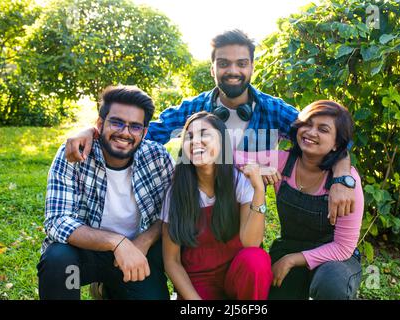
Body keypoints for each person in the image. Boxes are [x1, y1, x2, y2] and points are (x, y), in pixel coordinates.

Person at [63, 29, 355, 224]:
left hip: (245, 208)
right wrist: (92, 130)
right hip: (196, 206)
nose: (233, 71)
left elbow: (325, 138)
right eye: (224, 63)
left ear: (252, 67)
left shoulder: (274, 110)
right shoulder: (193, 107)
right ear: (212, 67)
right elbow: (140, 131)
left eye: (242, 63)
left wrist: (342, 177)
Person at [37, 85, 174, 300]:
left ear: (144, 132)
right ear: (100, 124)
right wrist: (117, 242)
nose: (125, 133)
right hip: (83, 257)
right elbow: (56, 221)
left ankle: (111, 288)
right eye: (117, 122)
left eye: (135, 127)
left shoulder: (157, 157)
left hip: (133, 258)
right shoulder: (74, 154)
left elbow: (171, 212)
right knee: (58, 260)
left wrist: (143, 242)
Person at [236, 100, 363, 299]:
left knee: (332, 285)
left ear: (336, 143)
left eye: (323, 129)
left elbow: (343, 247)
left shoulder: (346, 183)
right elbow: (233, 156)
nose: (311, 132)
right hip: (289, 246)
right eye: (307, 124)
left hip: (335, 258)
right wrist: (255, 168)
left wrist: (292, 260)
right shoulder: (281, 161)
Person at [161, 111, 273, 300]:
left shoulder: (239, 181)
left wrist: (259, 191)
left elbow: (251, 243)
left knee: (256, 260)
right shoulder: (176, 192)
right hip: (199, 282)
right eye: (189, 137)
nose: (195, 141)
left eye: (204, 134)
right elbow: (172, 261)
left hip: (236, 274)